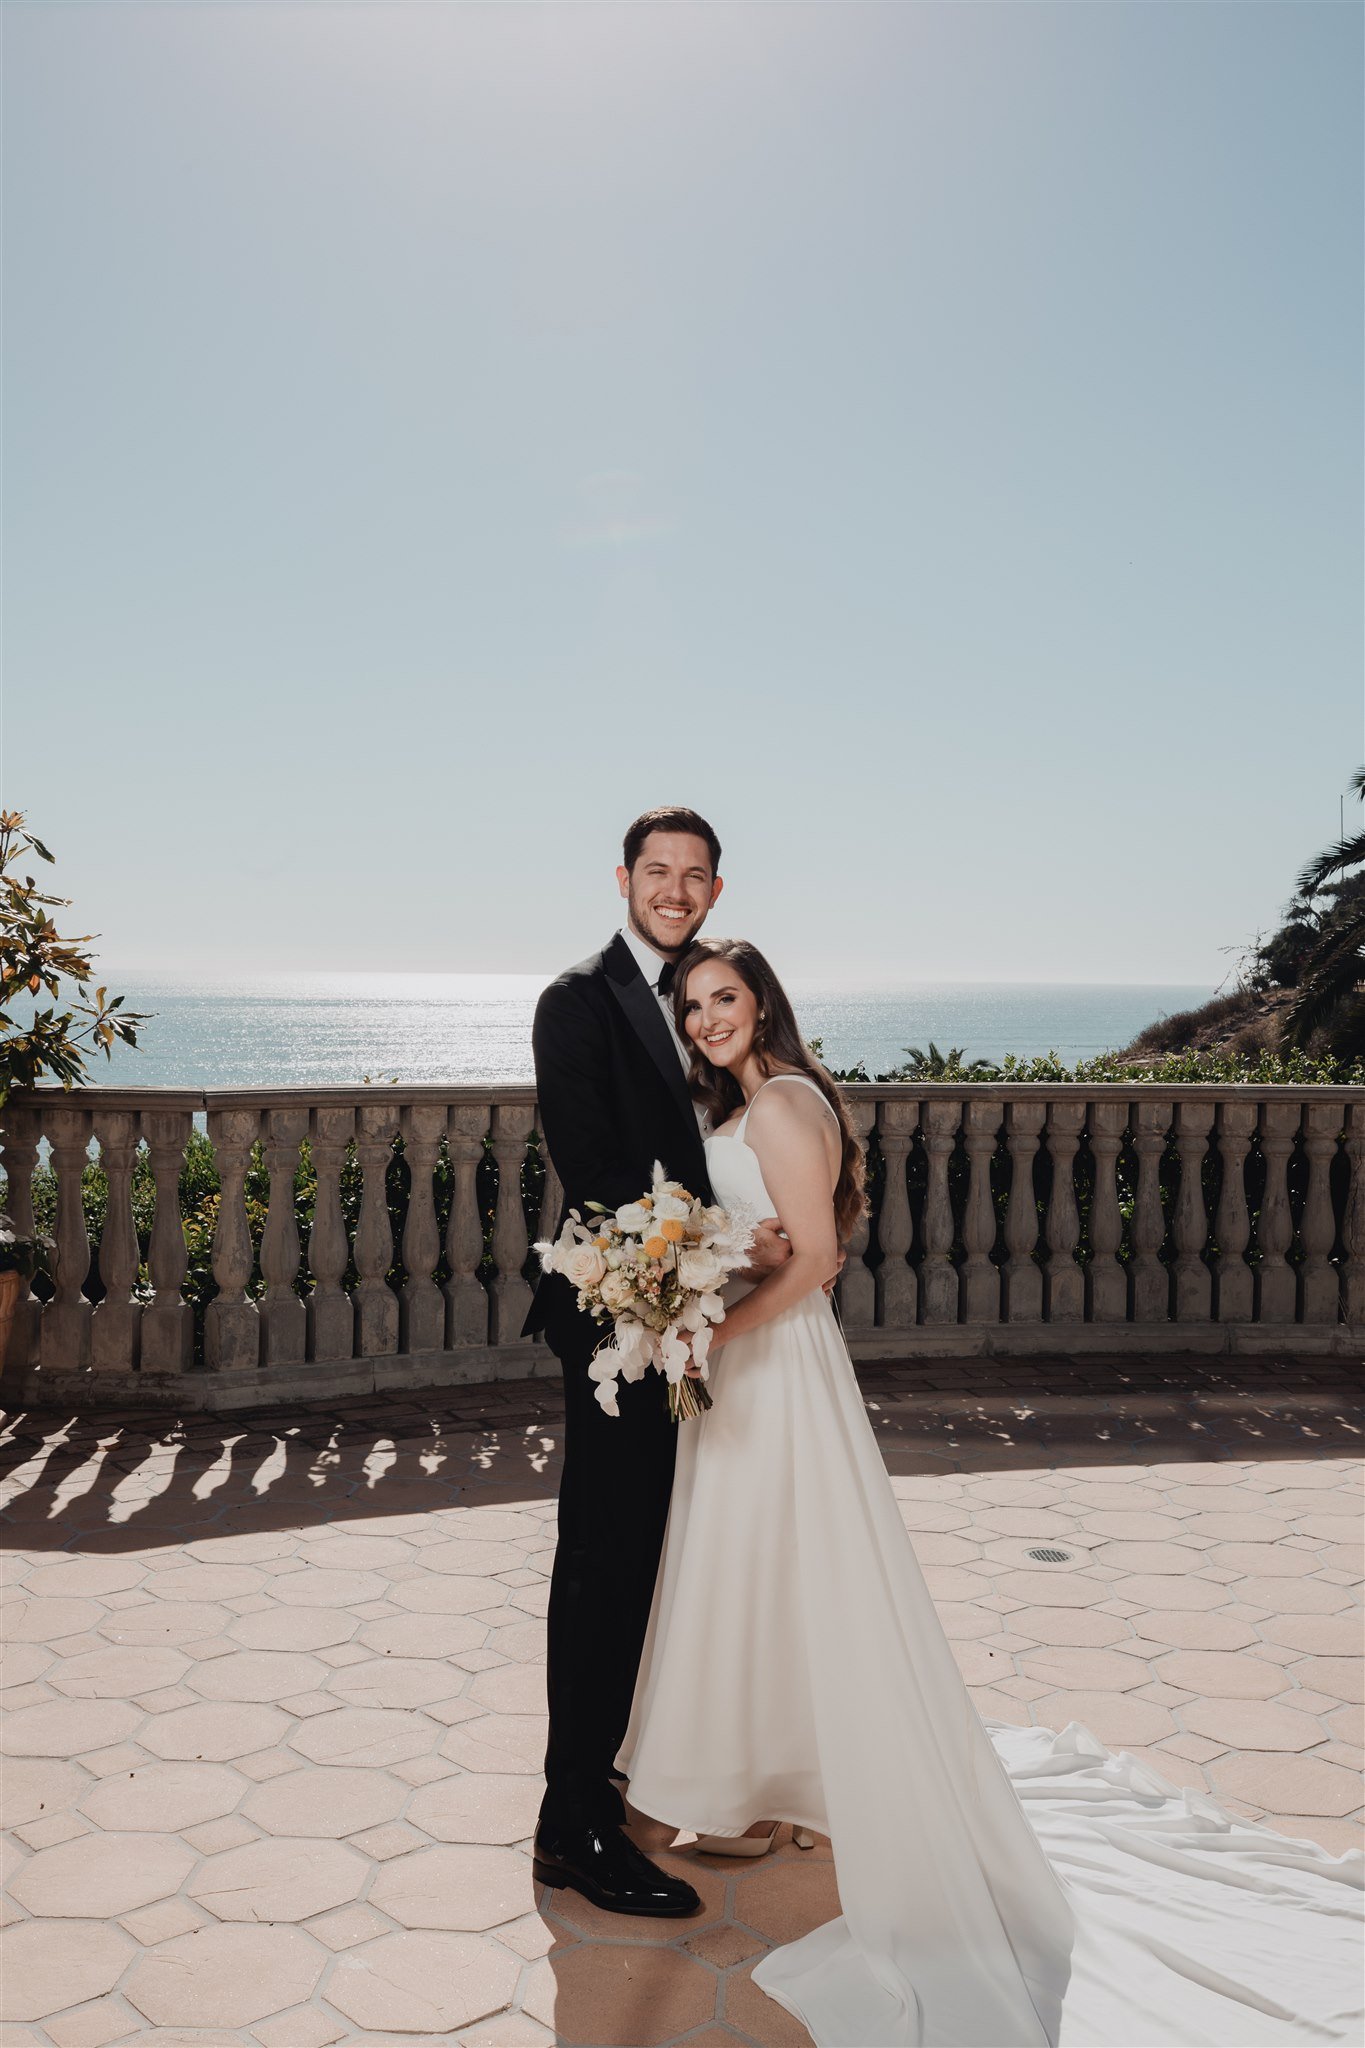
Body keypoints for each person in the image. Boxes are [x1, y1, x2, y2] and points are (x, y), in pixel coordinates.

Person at [616, 937, 1365, 2048]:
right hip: (768, 1364)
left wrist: (712, 1327)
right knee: (765, 1568)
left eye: (724, 997)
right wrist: (727, 1261)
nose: (708, 1017)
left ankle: (782, 1779)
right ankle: (766, 1779)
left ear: (762, 998)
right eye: (693, 1004)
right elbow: (787, 1240)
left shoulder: (775, 1102)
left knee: (783, 1562)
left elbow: (817, 1260)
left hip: (772, 1366)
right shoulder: (776, 1097)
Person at [524, 810, 792, 1916]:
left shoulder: (709, 1000)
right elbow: (600, 1181)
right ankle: (571, 1820)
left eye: (694, 876)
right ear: (623, 879)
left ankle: (649, 1774)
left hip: (709, 1319)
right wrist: (736, 1254)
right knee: (606, 1560)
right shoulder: (575, 1002)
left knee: (680, 1559)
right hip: (622, 1327)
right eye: (656, 872)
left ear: (716, 890)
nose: (674, 890)